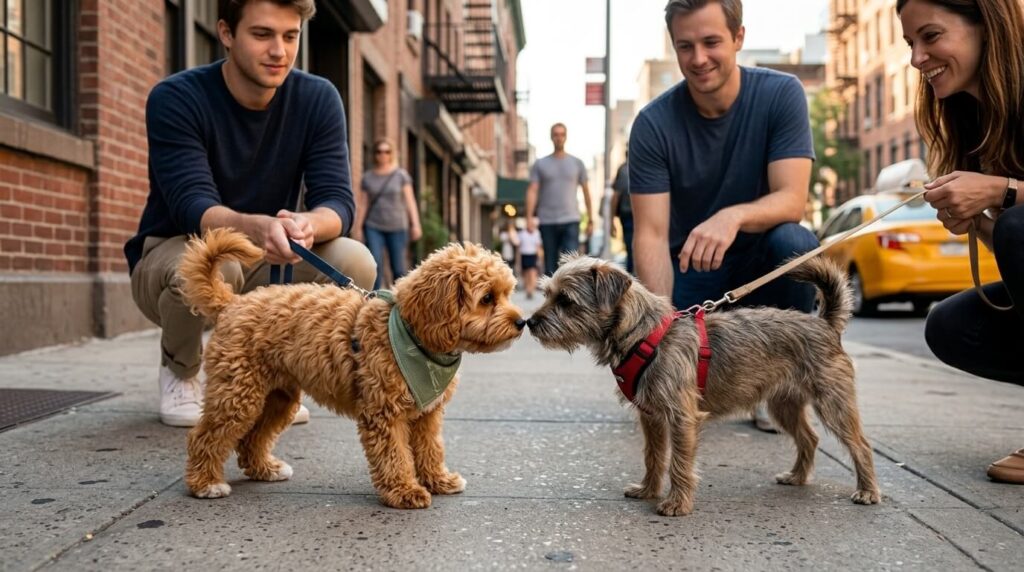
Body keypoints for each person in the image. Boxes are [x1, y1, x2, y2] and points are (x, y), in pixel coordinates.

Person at [125, 0, 376, 427]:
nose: (279, 50)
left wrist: (306, 225)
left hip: (269, 258)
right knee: (217, 262)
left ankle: (283, 380)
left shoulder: (317, 98)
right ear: (226, 33)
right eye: (262, 35)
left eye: (290, 36)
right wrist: (255, 228)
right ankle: (181, 370)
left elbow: (338, 201)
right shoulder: (176, 97)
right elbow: (191, 205)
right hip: (175, 254)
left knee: (355, 262)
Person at [629, 0, 818, 432]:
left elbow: (792, 200)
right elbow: (651, 234)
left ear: (738, 37)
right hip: (692, 273)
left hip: (762, 269)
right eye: (685, 46)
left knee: (797, 244)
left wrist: (731, 217)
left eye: (711, 42)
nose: (698, 59)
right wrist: (661, 333)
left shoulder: (781, 94)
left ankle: (778, 386)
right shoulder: (652, 124)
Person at [899, 0, 1024, 484]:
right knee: (951, 326)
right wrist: (976, 223)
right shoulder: (971, 117)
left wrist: (1002, 191)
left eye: (931, 36)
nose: (917, 58)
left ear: (985, 26)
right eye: (910, 43)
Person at [352, 138, 422, 290]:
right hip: (373, 226)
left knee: (398, 268)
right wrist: (358, 228)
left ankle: (400, 297)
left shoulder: (400, 175)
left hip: (397, 226)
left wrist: (415, 225)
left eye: (387, 151)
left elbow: (410, 201)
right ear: (374, 154)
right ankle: (374, 298)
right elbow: (363, 204)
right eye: (379, 151)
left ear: (392, 154)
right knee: (374, 265)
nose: (383, 155)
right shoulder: (368, 177)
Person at [525, 123, 594, 276]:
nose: (559, 138)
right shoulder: (540, 164)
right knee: (550, 264)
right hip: (547, 220)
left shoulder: (577, 163)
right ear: (551, 137)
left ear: (566, 137)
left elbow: (586, 192)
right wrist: (529, 217)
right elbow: (532, 190)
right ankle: (552, 291)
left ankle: (570, 291)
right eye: (556, 134)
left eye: (562, 134)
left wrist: (590, 219)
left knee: (571, 264)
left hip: (571, 219)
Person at [610, 150, 635, 274]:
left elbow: (615, 197)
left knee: (631, 250)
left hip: (628, 215)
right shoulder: (628, 170)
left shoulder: (623, 170)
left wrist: (611, 221)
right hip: (632, 216)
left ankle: (632, 277)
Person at [517, 219, 542, 300]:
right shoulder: (522, 234)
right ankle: (528, 289)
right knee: (526, 274)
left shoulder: (537, 233)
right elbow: (519, 247)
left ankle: (531, 290)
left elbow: (538, 246)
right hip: (524, 255)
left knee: (532, 273)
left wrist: (539, 258)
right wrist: (518, 260)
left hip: (533, 255)